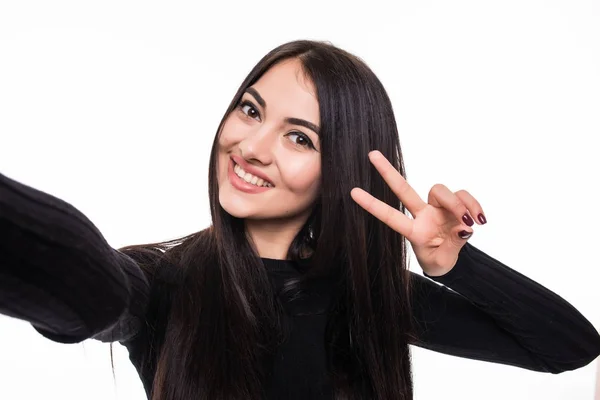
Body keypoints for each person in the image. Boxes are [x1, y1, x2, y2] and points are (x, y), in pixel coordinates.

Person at [0, 39, 599, 400]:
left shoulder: (365, 296)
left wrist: (456, 264)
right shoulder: (160, 281)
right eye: (250, 109)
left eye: (298, 138)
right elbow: (81, 282)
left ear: (340, 170)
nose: (252, 146)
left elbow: (569, 348)